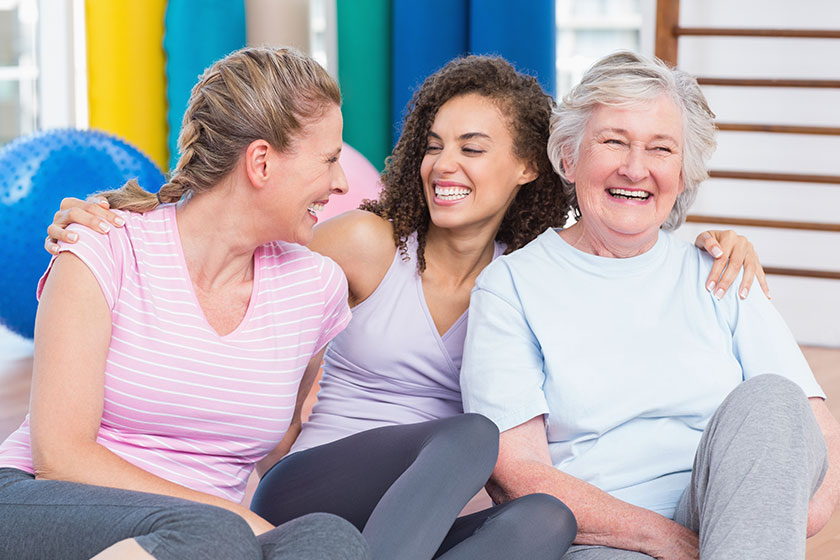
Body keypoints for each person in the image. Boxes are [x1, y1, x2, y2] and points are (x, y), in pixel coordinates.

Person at [43, 55, 765, 560]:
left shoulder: (533, 280)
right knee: (469, 435)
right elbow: (237, 245)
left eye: (472, 148)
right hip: (316, 485)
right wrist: (120, 212)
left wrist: (718, 239)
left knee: (543, 519)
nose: (442, 165)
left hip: (410, 517)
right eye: (433, 144)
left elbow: (620, 246)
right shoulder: (363, 244)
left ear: (526, 167)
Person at [459, 51, 840, 560]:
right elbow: (515, 475)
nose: (635, 168)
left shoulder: (720, 271)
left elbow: (815, 431)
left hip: (725, 519)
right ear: (569, 158)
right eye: (613, 141)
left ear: (683, 174)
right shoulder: (510, 287)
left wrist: (765, 519)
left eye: (661, 149)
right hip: (599, 533)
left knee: (773, 398)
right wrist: (678, 545)